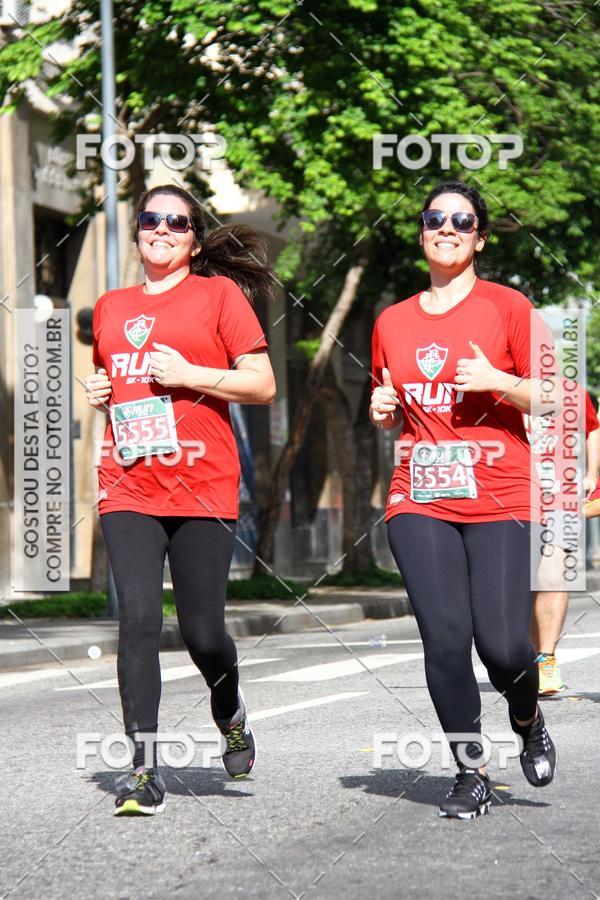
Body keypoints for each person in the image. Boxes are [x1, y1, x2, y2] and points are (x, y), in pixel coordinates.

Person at [85, 184, 276, 815]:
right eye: (151, 219)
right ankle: (144, 770)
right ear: (137, 230)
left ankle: (230, 710)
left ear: (194, 241)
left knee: (202, 632)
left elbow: (262, 384)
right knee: (138, 620)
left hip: (202, 485)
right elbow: (119, 387)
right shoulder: (110, 307)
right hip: (129, 484)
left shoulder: (218, 296)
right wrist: (100, 393)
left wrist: (191, 375)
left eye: (177, 222)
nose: (162, 229)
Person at [370, 181, 556, 820]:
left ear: (479, 239)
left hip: (501, 495)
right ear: (421, 232)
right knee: (446, 640)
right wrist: (382, 409)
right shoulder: (391, 320)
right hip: (419, 495)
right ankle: (470, 771)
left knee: (503, 648)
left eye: (462, 220)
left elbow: (558, 397)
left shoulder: (510, 307)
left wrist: (499, 381)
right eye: (435, 218)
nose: (446, 228)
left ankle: (527, 719)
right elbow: (391, 402)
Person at [528, 389, 600, 694]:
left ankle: (546, 659)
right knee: (523, 582)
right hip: (512, 497)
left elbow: (592, 428)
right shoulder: (494, 387)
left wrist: (592, 474)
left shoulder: (571, 392)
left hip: (561, 496)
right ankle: (528, 656)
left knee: (553, 574)